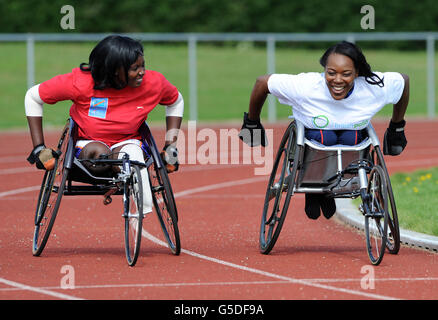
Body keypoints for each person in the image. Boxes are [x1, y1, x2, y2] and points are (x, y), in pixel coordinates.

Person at [239, 40, 409, 220]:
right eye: (331, 73)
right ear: (324, 70)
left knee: (351, 139)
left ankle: (329, 191)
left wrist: (397, 126)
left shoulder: (372, 86)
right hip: (315, 137)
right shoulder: (306, 86)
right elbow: (262, 83)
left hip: (353, 137)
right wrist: (252, 122)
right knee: (325, 136)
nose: (337, 80)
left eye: (346, 74)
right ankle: (315, 191)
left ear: (357, 73)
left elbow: (403, 81)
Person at [25, 35, 184, 216]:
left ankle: (140, 198)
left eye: (143, 66)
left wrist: (171, 146)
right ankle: (117, 168)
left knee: (129, 156)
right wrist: (39, 147)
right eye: (135, 68)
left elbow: (176, 101)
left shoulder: (154, 83)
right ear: (115, 70)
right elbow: (33, 96)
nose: (142, 72)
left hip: (129, 141)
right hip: (88, 145)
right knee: (98, 152)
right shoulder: (81, 82)